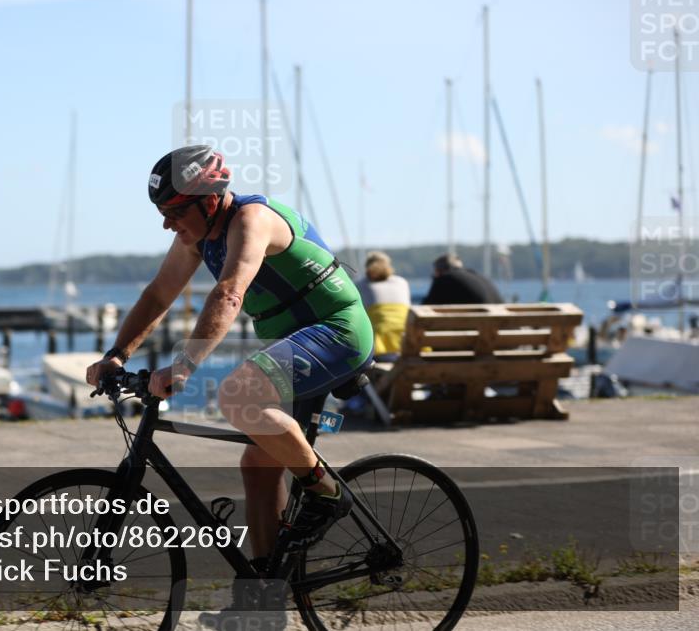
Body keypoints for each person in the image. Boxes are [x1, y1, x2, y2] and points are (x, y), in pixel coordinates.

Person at [85, 145, 373, 629]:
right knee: (258, 465)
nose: (166, 224)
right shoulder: (198, 237)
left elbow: (229, 292)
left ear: (210, 199)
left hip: (337, 332)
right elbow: (158, 293)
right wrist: (118, 353)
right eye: (161, 213)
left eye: (174, 212)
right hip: (293, 343)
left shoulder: (252, 220)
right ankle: (265, 607)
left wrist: (183, 365)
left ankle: (326, 494)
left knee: (238, 395)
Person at [355, 251, 411, 358]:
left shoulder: (361, 285)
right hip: (407, 342)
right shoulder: (402, 282)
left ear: (367, 267)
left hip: (380, 346)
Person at [422, 252, 503, 305]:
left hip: (476, 329)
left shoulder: (444, 279)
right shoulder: (480, 277)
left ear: (438, 270)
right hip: (503, 328)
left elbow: (426, 308)